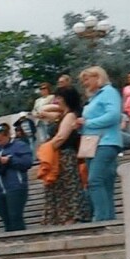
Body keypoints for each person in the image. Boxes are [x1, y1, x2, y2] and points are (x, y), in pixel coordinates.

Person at [79, 66, 125, 222]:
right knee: (105, 182)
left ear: (97, 77)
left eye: (86, 79)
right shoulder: (95, 97)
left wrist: (88, 123)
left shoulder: (109, 93)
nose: (84, 83)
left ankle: (101, 217)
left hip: (106, 142)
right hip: (92, 143)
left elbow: (113, 116)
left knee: (95, 180)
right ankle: (108, 217)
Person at [44, 85, 92, 226]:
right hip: (59, 157)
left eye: (59, 97)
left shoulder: (70, 115)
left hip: (65, 156)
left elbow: (61, 137)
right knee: (60, 189)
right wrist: (57, 105)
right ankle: (63, 218)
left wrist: (45, 149)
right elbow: (42, 111)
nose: (56, 100)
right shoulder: (61, 115)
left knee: (67, 188)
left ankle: (71, 218)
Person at [0, 124, 33, 233]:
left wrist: (10, 160)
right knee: (6, 220)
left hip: (15, 187)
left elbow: (27, 163)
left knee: (15, 217)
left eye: (0, 139)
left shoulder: (20, 146)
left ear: (7, 135)